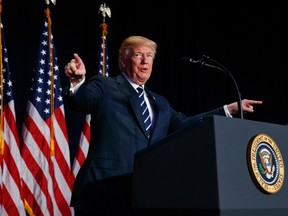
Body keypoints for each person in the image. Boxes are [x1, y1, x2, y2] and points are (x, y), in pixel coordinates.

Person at [64, 35, 262, 215]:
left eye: (149, 56)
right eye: (139, 55)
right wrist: (77, 81)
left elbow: (185, 124)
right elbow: (82, 102)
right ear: (123, 61)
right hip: (104, 190)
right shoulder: (105, 85)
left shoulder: (160, 103)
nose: (145, 61)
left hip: (145, 194)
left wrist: (227, 109)